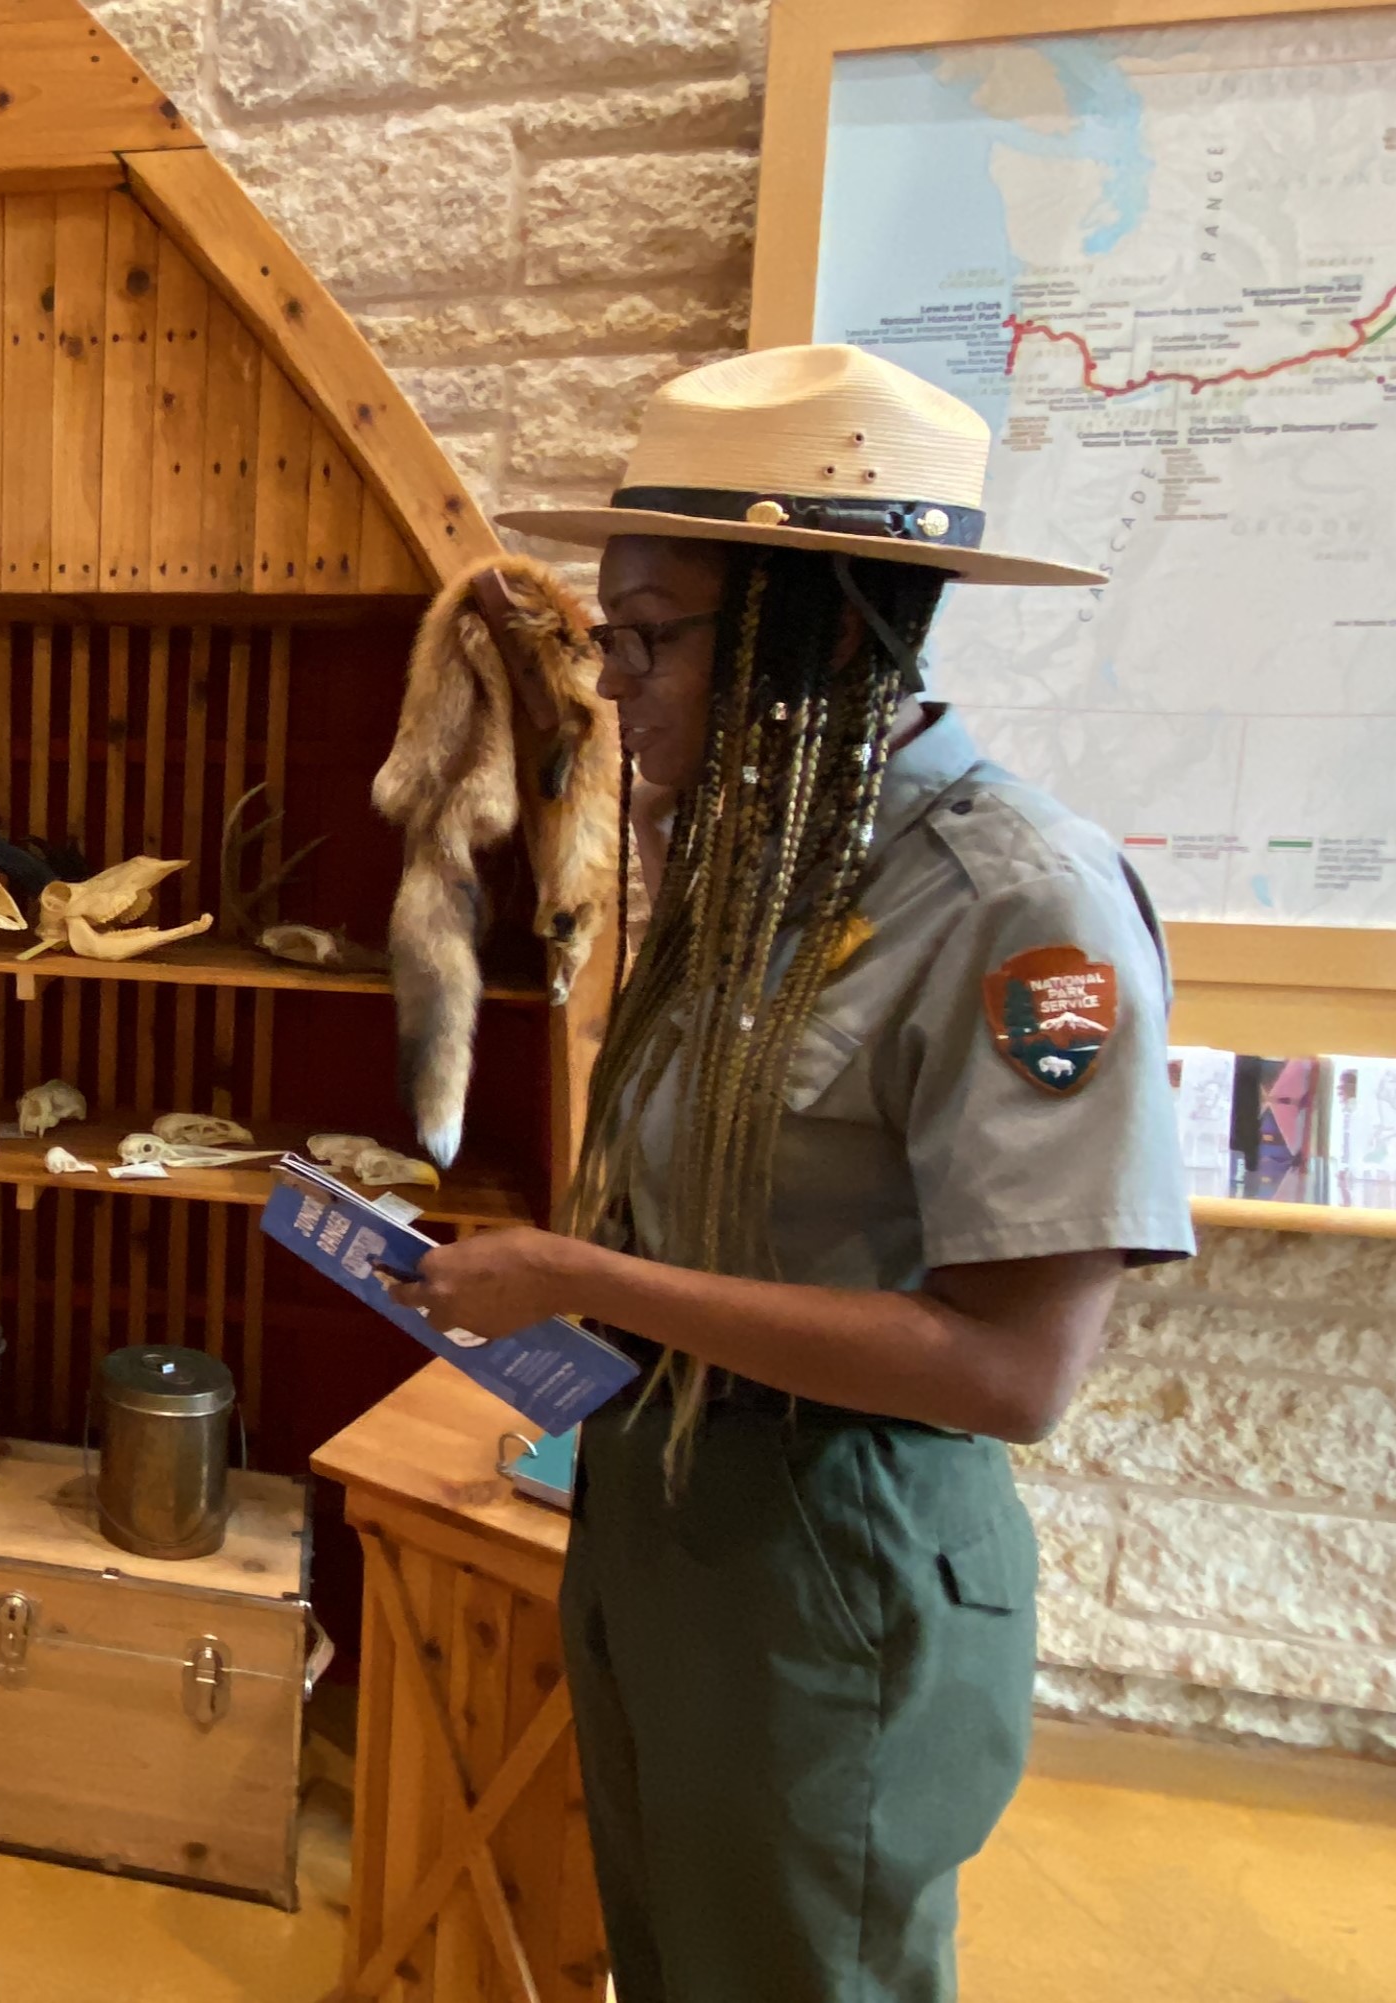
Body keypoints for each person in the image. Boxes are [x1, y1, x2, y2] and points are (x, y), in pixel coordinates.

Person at [391, 345, 1193, 2002]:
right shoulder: (754, 858)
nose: (620, 687)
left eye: (659, 638)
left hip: (830, 1576)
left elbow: (1012, 1368)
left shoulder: (1016, 904)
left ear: (824, 630)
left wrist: (584, 1279)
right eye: (612, 637)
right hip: (661, 1523)